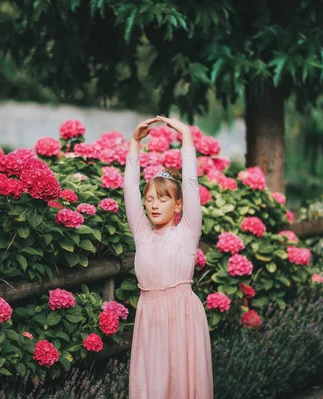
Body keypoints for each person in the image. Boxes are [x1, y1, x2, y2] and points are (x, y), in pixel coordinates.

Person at [124, 116, 213, 399]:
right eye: (149, 199)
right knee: (152, 385)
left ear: (178, 204)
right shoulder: (142, 233)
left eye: (162, 199)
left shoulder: (186, 232)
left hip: (183, 317)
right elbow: (129, 190)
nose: (153, 205)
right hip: (150, 319)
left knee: (183, 383)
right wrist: (135, 143)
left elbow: (190, 183)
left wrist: (185, 135)